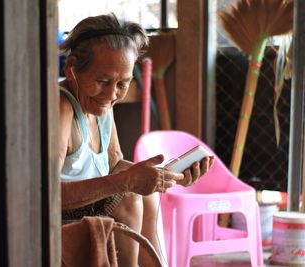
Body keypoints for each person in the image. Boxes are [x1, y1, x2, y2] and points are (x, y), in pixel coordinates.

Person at [58, 13, 214, 266]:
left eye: (123, 84)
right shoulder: (62, 107)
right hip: (60, 212)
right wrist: (128, 181)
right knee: (129, 192)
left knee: (144, 186)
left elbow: (115, 164)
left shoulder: (101, 106)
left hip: (89, 205)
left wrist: (165, 177)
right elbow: (47, 194)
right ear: (72, 67)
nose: (111, 94)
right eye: (102, 81)